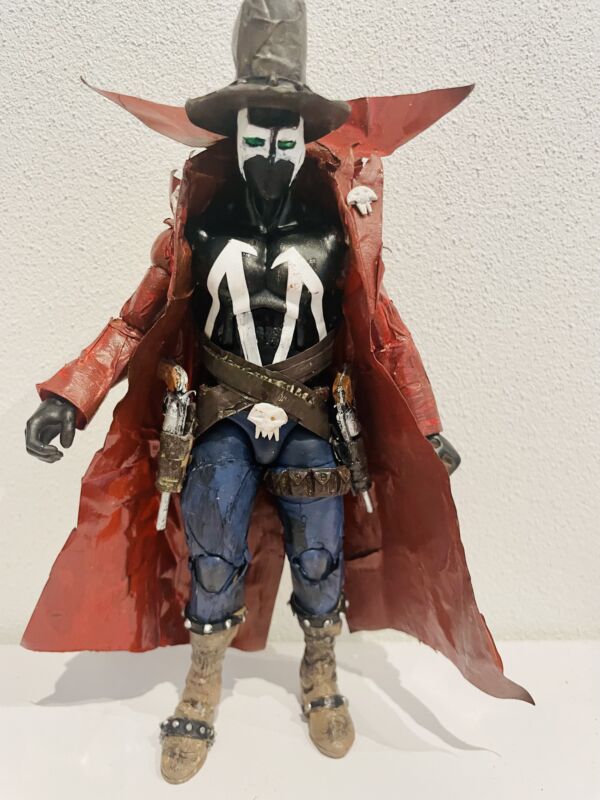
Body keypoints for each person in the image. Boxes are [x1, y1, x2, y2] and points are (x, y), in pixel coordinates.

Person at [23, 0, 532, 786]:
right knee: (212, 552)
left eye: (284, 134)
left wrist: (424, 424)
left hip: (313, 418)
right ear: (232, 135)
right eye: (254, 133)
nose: (268, 150)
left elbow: (383, 330)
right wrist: (71, 395)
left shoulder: (333, 234)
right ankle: (203, 676)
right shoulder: (198, 232)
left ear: (304, 140)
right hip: (219, 415)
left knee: (320, 555)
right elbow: (137, 318)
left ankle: (320, 668)